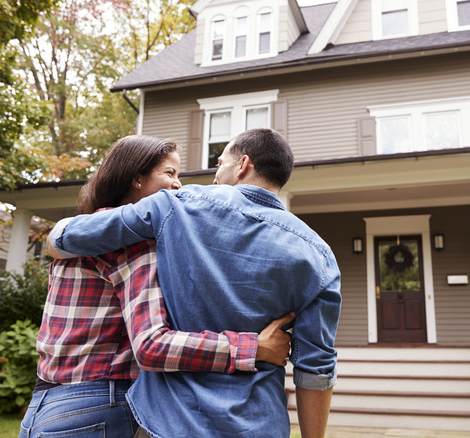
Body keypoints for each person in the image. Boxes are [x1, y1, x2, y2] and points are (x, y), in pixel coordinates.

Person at [47, 128, 341, 438]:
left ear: (242, 165)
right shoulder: (319, 255)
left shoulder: (176, 205)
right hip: (259, 424)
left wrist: (55, 239)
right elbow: (316, 369)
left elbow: (69, 236)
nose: (215, 175)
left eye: (219, 164)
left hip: (171, 422)